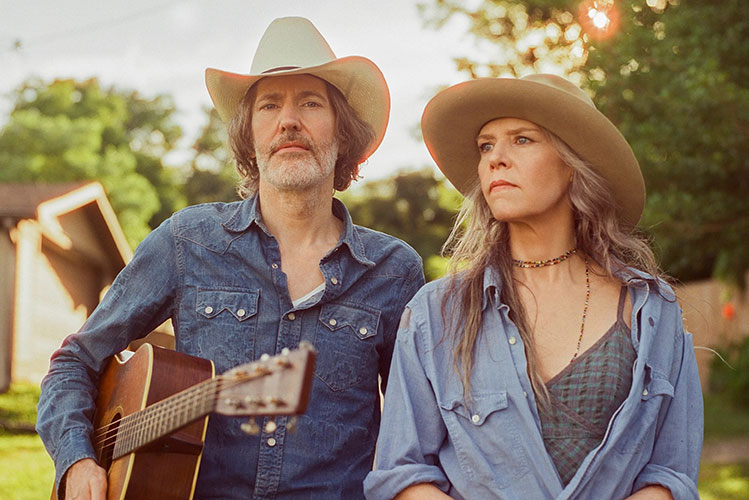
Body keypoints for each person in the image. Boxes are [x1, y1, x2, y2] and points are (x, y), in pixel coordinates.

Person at [37, 17, 424, 500]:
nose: (289, 120)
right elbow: (75, 360)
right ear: (250, 135)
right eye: (269, 104)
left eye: (310, 102)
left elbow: (415, 432)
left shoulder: (394, 270)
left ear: (342, 133)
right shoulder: (188, 241)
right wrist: (77, 461)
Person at [364, 74, 703, 500]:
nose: (495, 159)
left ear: (572, 163)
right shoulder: (435, 313)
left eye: (522, 140)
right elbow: (401, 473)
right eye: (486, 145)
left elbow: (671, 473)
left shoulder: (651, 310)